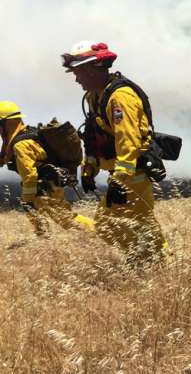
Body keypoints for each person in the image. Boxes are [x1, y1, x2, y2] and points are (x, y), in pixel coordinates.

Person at [61, 41, 166, 268]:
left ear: (91, 69)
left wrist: (119, 180)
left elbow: (127, 142)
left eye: (78, 73)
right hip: (123, 175)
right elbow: (92, 135)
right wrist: (89, 168)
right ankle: (152, 261)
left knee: (124, 224)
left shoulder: (120, 98)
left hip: (133, 175)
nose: (76, 79)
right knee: (129, 224)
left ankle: (151, 263)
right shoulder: (94, 96)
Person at [0, 100, 94, 237]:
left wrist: (27, 200)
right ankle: (43, 238)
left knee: (66, 219)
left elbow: (30, 177)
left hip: (46, 186)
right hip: (48, 184)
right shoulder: (25, 135)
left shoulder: (20, 145)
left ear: (6, 123)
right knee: (59, 218)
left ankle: (99, 232)